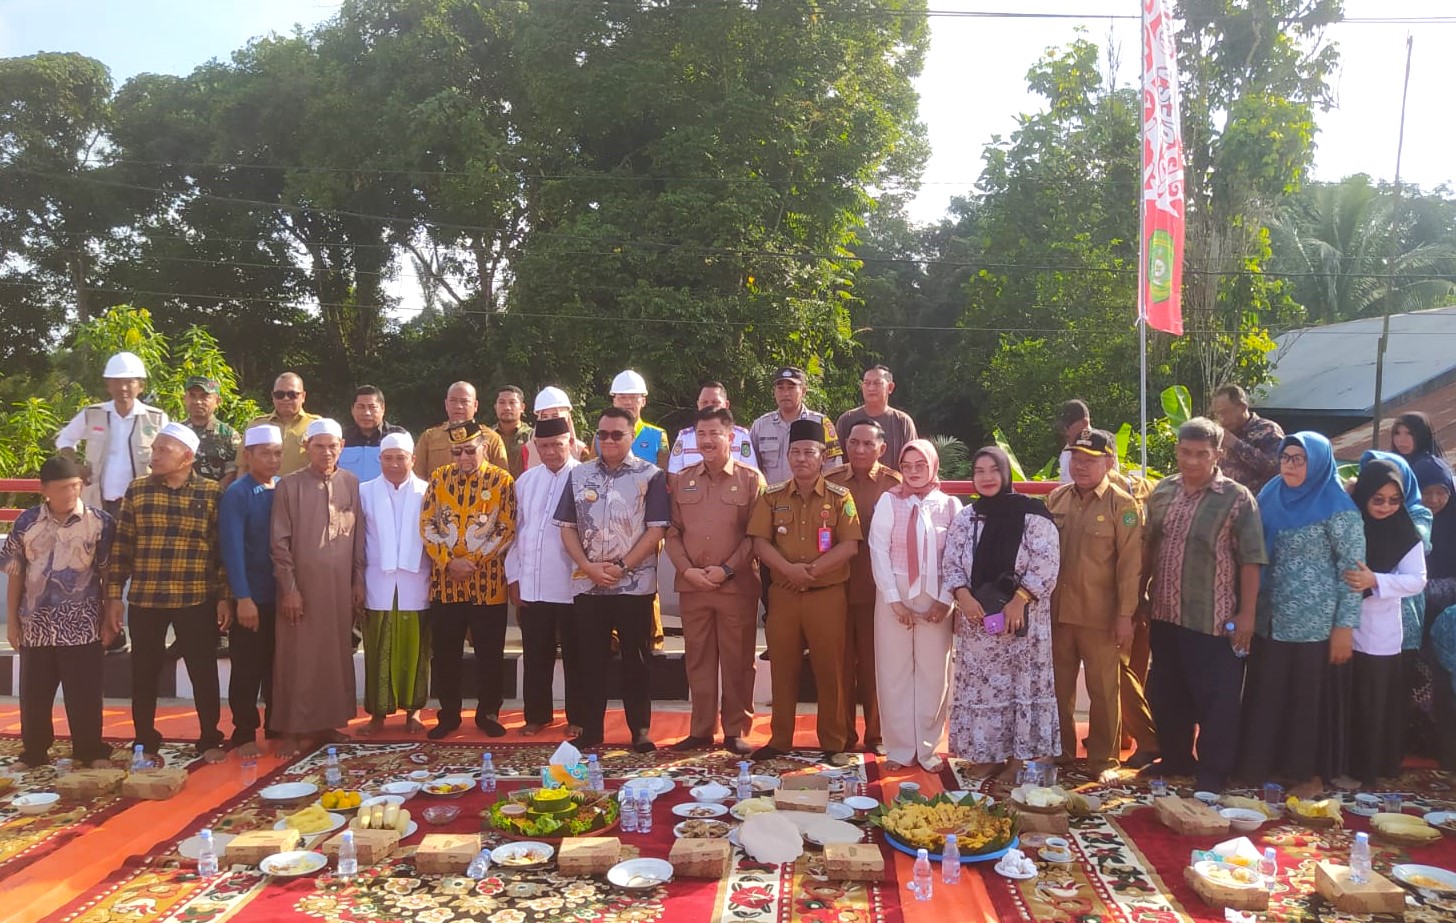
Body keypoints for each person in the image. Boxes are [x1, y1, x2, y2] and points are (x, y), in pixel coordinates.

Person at [1140, 417, 1266, 793]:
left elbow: (1251, 559)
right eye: (1185, 452)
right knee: (1165, 693)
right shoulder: (1162, 492)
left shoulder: (1237, 497)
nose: (1191, 461)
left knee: (1217, 700)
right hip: (1164, 614)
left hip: (1214, 619)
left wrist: (1247, 616)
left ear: (1217, 455)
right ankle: (1176, 758)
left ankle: (1212, 771)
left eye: (1201, 454)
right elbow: (1148, 549)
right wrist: (1137, 597)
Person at [1241, 432, 1364, 798]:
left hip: (1314, 623)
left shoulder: (1339, 508)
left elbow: (1353, 573)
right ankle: (1258, 766)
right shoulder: (1270, 493)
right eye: (1286, 457)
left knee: (1304, 701)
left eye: (1300, 459)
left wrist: (1344, 627)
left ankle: (1303, 773)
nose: (1291, 466)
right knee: (1266, 692)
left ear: (1319, 462)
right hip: (1269, 616)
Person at [107, 422, 229, 763]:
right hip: (147, 597)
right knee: (143, 672)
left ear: (187, 457)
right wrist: (114, 596)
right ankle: (144, 737)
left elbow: (220, 551)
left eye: (163, 450)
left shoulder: (210, 493)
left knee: (202, 669)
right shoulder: (138, 490)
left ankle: (209, 737)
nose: (154, 456)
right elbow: (122, 547)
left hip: (196, 597)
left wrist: (224, 596)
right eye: (155, 448)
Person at [555, 407, 669, 752]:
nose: (608, 440)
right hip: (588, 584)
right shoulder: (579, 475)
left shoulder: (651, 475)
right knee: (590, 659)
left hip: (633, 585)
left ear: (632, 435)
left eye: (617, 434)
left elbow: (656, 530)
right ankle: (592, 729)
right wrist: (588, 568)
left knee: (636, 659)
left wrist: (622, 566)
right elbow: (567, 529)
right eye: (602, 434)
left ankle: (640, 729)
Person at [943, 446, 1061, 781]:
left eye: (993, 469)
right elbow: (951, 562)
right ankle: (989, 755)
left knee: (1019, 688)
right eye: (979, 471)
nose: (987, 477)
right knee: (982, 690)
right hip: (978, 624)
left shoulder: (1033, 514)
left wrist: (1019, 600)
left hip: (1021, 623)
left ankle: (1017, 760)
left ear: (1006, 472)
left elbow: (1046, 563)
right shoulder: (967, 517)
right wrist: (963, 596)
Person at [747, 419, 862, 760]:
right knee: (783, 668)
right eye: (795, 452)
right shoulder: (771, 496)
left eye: (808, 452)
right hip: (783, 595)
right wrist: (788, 571)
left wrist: (810, 571)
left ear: (822, 456)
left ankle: (834, 741)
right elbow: (759, 543)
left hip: (826, 595)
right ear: (787, 455)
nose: (801, 458)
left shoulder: (841, 497)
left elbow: (850, 545)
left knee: (832, 670)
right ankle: (780, 739)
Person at [2, 456, 115, 769]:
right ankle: (34, 753)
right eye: (63, 488)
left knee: (85, 695)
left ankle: (89, 751)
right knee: (34, 697)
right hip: (36, 625)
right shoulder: (26, 522)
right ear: (45, 490)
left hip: (83, 624)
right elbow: (15, 574)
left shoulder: (100, 522)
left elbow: (108, 575)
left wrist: (108, 618)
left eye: (76, 486)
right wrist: (12, 621)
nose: (71, 493)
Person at [664, 407, 765, 754]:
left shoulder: (751, 480)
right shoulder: (681, 479)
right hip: (693, 586)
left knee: (737, 659)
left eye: (714, 434)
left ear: (730, 437)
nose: (707, 441)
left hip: (735, 586)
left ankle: (736, 729)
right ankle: (701, 728)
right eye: (701, 435)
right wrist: (686, 570)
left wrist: (727, 569)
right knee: (698, 659)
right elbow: (672, 532)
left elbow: (756, 535)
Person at [1043, 429, 1144, 775]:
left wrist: (1125, 615)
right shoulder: (1055, 500)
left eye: (1090, 460)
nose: (1081, 466)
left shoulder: (1124, 506)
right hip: (1057, 612)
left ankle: (1103, 759)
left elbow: (1131, 566)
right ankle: (1061, 751)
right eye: (1076, 459)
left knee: (1103, 690)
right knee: (1057, 688)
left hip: (1101, 616)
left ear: (1109, 461)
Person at [269, 418, 365, 757]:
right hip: (302, 589)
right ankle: (292, 730)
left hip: (339, 589)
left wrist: (358, 580)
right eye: (319, 446)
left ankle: (328, 724)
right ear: (307, 448)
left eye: (332, 446)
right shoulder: (289, 486)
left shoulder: (351, 483)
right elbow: (279, 543)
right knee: (297, 657)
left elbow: (358, 538)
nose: (326, 452)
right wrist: (290, 588)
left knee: (335, 655)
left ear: (341, 448)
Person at [868, 440, 962, 772]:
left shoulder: (950, 505)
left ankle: (928, 749)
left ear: (933, 466)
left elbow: (957, 555)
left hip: (936, 593)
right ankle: (899, 747)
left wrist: (946, 600)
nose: (913, 472)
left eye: (920, 465)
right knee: (893, 670)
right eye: (907, 466)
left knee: (934, 671)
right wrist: (894, 600)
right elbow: (877, 550)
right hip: (894, 590)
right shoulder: (889, 501)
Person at [421, 420, 516, 739]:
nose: (462, 458)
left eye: (469, 451)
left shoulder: (502, 480)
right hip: (445, 583)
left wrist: (472, 561)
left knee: (490, 652)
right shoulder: (438, 478)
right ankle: (448, 715)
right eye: (456, 452)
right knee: (445, 653)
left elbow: (507, 527)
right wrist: (449, 562)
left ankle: (488, 712)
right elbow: (427, 525)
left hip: (487, 583)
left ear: (484, 448)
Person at [1344, 456, 1427, 787]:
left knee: (1371, 701)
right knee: (1345, 699)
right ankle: (1340, 764)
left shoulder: (1406, 533)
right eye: (1377, 499)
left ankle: (1368, 771)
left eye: (1394, 500)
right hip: (1343, 627)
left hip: (1380, 631)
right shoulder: (1350, 523)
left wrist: (1374, 580)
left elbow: (1417, 579)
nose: (1386, 506)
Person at [505, 417, 585, 737]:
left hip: (573, 586)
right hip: (532, 584)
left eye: (557, 444)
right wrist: (514, 579)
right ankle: (537, 716)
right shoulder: (525, 481)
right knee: (536, 654)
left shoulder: (585, 477)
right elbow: (516, 533)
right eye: (545, 446)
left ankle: (578, 716)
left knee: (577, 656)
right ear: (536, 447)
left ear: (570, 442)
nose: (551, 451)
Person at [827, 419, 902, 754]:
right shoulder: (828, 482)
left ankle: (877, 735)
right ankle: (841, 735)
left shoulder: (894, 485)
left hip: (879, 591)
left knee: (877, 665)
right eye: (854, 443)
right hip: (837, 587)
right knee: (839, 665)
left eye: (868, 444)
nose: (859, 450)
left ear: (881, 449)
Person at [358, 432, 431, 736]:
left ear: (413, 459)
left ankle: (413, 711)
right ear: (379, 460)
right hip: (378, 580)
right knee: (378, 647)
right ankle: (377, 713)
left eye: (401, 457)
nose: (395, 464)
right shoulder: (364, 491)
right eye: (388, 458)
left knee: (416, 649)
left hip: (417, 581)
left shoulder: (428, 491)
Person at [219, 425, 283, 755]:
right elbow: (231, 549)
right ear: (248, 455)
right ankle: (244, 731)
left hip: (281, 596)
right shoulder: (237, 493)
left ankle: (277, 724)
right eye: (265, 453)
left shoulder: (283, 487)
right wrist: (242, 597)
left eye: (277, 453)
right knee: (247, 666)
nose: (273, 460)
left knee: (277, 665)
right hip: (252, 597)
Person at [55, 351, 169, 517]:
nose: (122, 388)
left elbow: (170, 454)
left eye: (129, 382)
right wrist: (72, 466)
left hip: (142, 504)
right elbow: (65, 438)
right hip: (98, 504)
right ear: (108, 385)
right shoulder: (93, 414)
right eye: (116, 382)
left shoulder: (156, 418)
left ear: (141, 386)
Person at [749, 366, 844, 486]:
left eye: (791, 388)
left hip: (809, 500)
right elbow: (751, 467)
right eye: (780, 388)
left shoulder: (821, 423)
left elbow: (833, 469)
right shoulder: (761, 425)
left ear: (803, 391)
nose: (785, 393)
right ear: (774, 392)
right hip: (771, 500)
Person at [231, 372, 320, 484]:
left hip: (303, 494)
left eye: (292, 394)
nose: (286, 398)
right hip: (263, 494)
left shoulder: (317, 426)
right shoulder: (256, 425)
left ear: (303, 396)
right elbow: (243, 466)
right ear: (273, 397)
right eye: (279, 394)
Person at [413, 381, 509, 479]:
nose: (458, 406)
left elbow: (501, 477)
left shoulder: (492, 438)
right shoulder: (429, 437)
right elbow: (417, 476)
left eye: (464, 401)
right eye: (453, 401)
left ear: (475, 405)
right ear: (446, 404)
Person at [835, 365, 918, 471]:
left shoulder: (903, 422)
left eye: (877, 383)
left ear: (890, 387)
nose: (871, 388)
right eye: (867, 383)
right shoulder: (846, 419)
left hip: (894, 485)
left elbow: (913, 459)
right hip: (851, 486)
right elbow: (836, 461)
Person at [667, 381, 759, 473]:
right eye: (704, 402)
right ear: (698, 404)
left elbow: (750, 474)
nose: (709, 407)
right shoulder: (684, 437)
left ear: (726, 405)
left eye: (715, 402)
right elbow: (674, 477)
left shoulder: (741, 436)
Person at [1210, 384, 1285, 492]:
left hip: (1259, 502)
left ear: (1243, 407)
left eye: (1225, 412)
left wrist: (1236, 444)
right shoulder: (1219, 433)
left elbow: (1277, 468)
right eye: (1218, 414)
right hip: (1226, 503)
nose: (1222, 419)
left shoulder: (1267, 429)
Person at [598, 369, 670, 468]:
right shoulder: (600, 436)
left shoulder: (658, 436)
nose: (627, 402)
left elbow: (664, 476)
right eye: (622, 397)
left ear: (643, 401)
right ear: (614, 401)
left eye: (633, 397)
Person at [339, 385, 406, 483]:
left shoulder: (399, 436)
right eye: (360, 407)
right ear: (352, 410)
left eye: (372, 407)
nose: (367, 413)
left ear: (382, 409)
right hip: (349, 498)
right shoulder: (342, 438)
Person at [181, 376, 241, 484]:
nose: (198, 401)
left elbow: (233, 473)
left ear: (218, 401)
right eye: (192, 396)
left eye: (205, 396)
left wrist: (212, 494)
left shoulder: (229, 435)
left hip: (216, 497)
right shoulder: (176, 433)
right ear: (185, 398)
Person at [521, 386, 591, 470]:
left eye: (555, 416)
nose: (549, 421)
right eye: (544, 416)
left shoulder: (581, 450)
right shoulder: (528, 449)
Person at [493, 385, 533, 479]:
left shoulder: (532, 436)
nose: (507, 407)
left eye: (512, 403)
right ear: (495, 407)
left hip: (525, 491)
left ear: (522, 408)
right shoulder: (488, 436)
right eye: (502, 402)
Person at [1054, 399, 1090, 484]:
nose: (1065, 431)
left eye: (1067, 426)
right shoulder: (1066, 451)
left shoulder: (1101, 447)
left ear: (1084, 423)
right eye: (1062, 427)